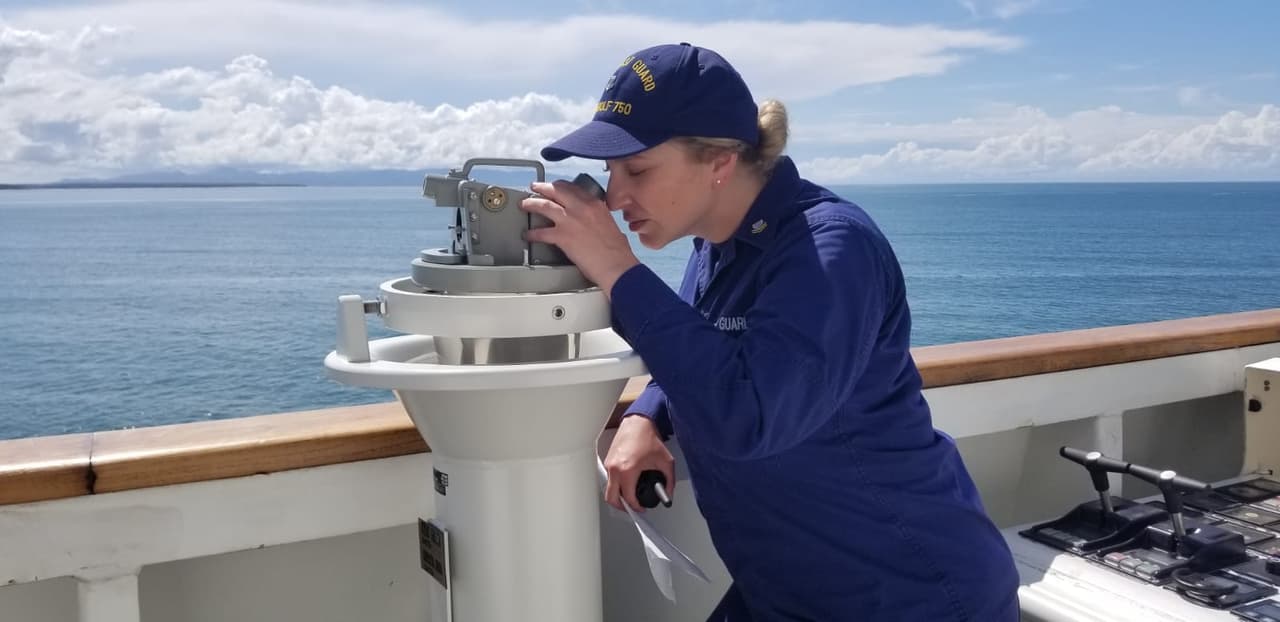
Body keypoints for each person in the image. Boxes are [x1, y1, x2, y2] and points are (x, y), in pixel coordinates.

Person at [521, 42, 1019, 621]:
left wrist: (616, 267)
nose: (616, 194)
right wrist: (646, 414)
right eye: (610, 171)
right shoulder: (714, 244)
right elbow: (700, 345)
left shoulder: (831, 251)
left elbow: (752, 416)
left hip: (909, 594)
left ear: (719, 162)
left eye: (638, 169)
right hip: (785, 592)